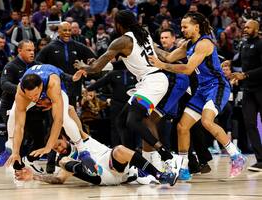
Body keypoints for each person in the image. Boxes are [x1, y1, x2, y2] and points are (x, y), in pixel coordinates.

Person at [74, 10, 182, 177]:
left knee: (133, 121)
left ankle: (167, 157)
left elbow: (96, 69)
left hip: (152, 82)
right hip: (153, 80)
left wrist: (83, 66)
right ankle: (137, 164)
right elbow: (161, 55)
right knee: (122, 121)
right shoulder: (143, 33)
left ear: (118, 24)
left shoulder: (121, 41)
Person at [148, 12, 246, 180]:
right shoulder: (188, 45)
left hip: (217, 86)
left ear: (197, 27)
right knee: (182, 127)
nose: (182, 29)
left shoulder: (205, 43)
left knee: (206, 121)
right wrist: (148, 43)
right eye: (181, 27)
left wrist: (162, 65)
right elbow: (169, 56)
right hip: (201, 89)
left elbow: (187, 69)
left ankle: (236, 156)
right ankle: (184, 167)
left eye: (185, 27)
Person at [5, 64, 100, 177]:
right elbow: (19, 125)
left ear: (40, 87)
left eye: (35, 95)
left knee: (64, 117)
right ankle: (10, 146)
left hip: (54, 88)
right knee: (13, 114)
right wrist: (16, 152)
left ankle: (83, 151)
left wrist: (48, 147)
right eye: (30, 96)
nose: (34, 99)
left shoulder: (53, 83)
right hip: (34, 87)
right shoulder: (21, 91)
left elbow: (58, 120)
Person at [15, 130, 178, 186]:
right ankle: (92, 170)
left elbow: (71, 113)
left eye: (59, 143)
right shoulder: (63, 159)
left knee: (120, 149)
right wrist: (35, 177)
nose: (59, 148)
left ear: (65, 137)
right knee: (63, 162)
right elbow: (59, 180)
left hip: (115, 167)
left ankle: (160, 175)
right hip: (102, 177)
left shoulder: (82, 139)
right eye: (55, 148)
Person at [231, 20, 262, 172]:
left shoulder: (260, 44)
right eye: (244, 27)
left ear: (256, 29)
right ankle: (260, 160)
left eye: (248, 27)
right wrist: (230, 67)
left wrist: (246, 75)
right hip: (248, 90)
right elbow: (238, 62)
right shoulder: (243, 44)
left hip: (261, 89)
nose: (245, 29)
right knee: (249, 124)